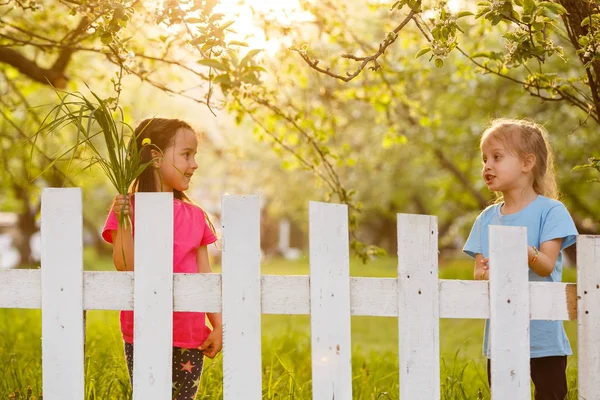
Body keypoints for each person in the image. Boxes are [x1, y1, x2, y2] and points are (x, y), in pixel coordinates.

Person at [101, 118, 222, 399]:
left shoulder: (196, 216)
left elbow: (205, 277)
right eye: (186, 155)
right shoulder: (127, 208)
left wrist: (217, 324)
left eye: (195, 156)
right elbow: (125, 265)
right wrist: (123, 221)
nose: (194, 164)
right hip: (141, 330)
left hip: (189, 335)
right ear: (155, 157)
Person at [463, 118, 577, 400]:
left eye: (497, 157)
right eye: (485, 159)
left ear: (527, 163)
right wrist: (488, 273)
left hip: (544, 339)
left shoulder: (551, 211)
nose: (487, 166)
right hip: (500, 335)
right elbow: (479, 272)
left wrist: (522, 251)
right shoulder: (486, 219)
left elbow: (546, 265)